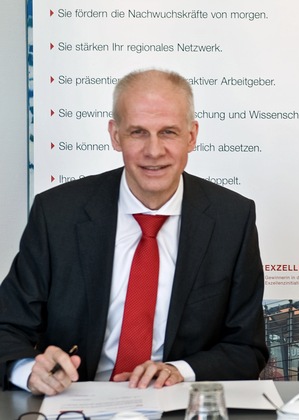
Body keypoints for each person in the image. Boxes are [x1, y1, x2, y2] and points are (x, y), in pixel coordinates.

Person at [0, 69, 269, 396]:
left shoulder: (233, 219)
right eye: (138, 132)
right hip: (75, 402)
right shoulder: (57, 214)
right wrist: (29, 370)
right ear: (115, 136)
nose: (154, 151)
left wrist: (179, 371)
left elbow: (246, 348)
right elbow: (7, 326)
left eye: (168, 132)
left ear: (191, 136)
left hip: (179, 405)